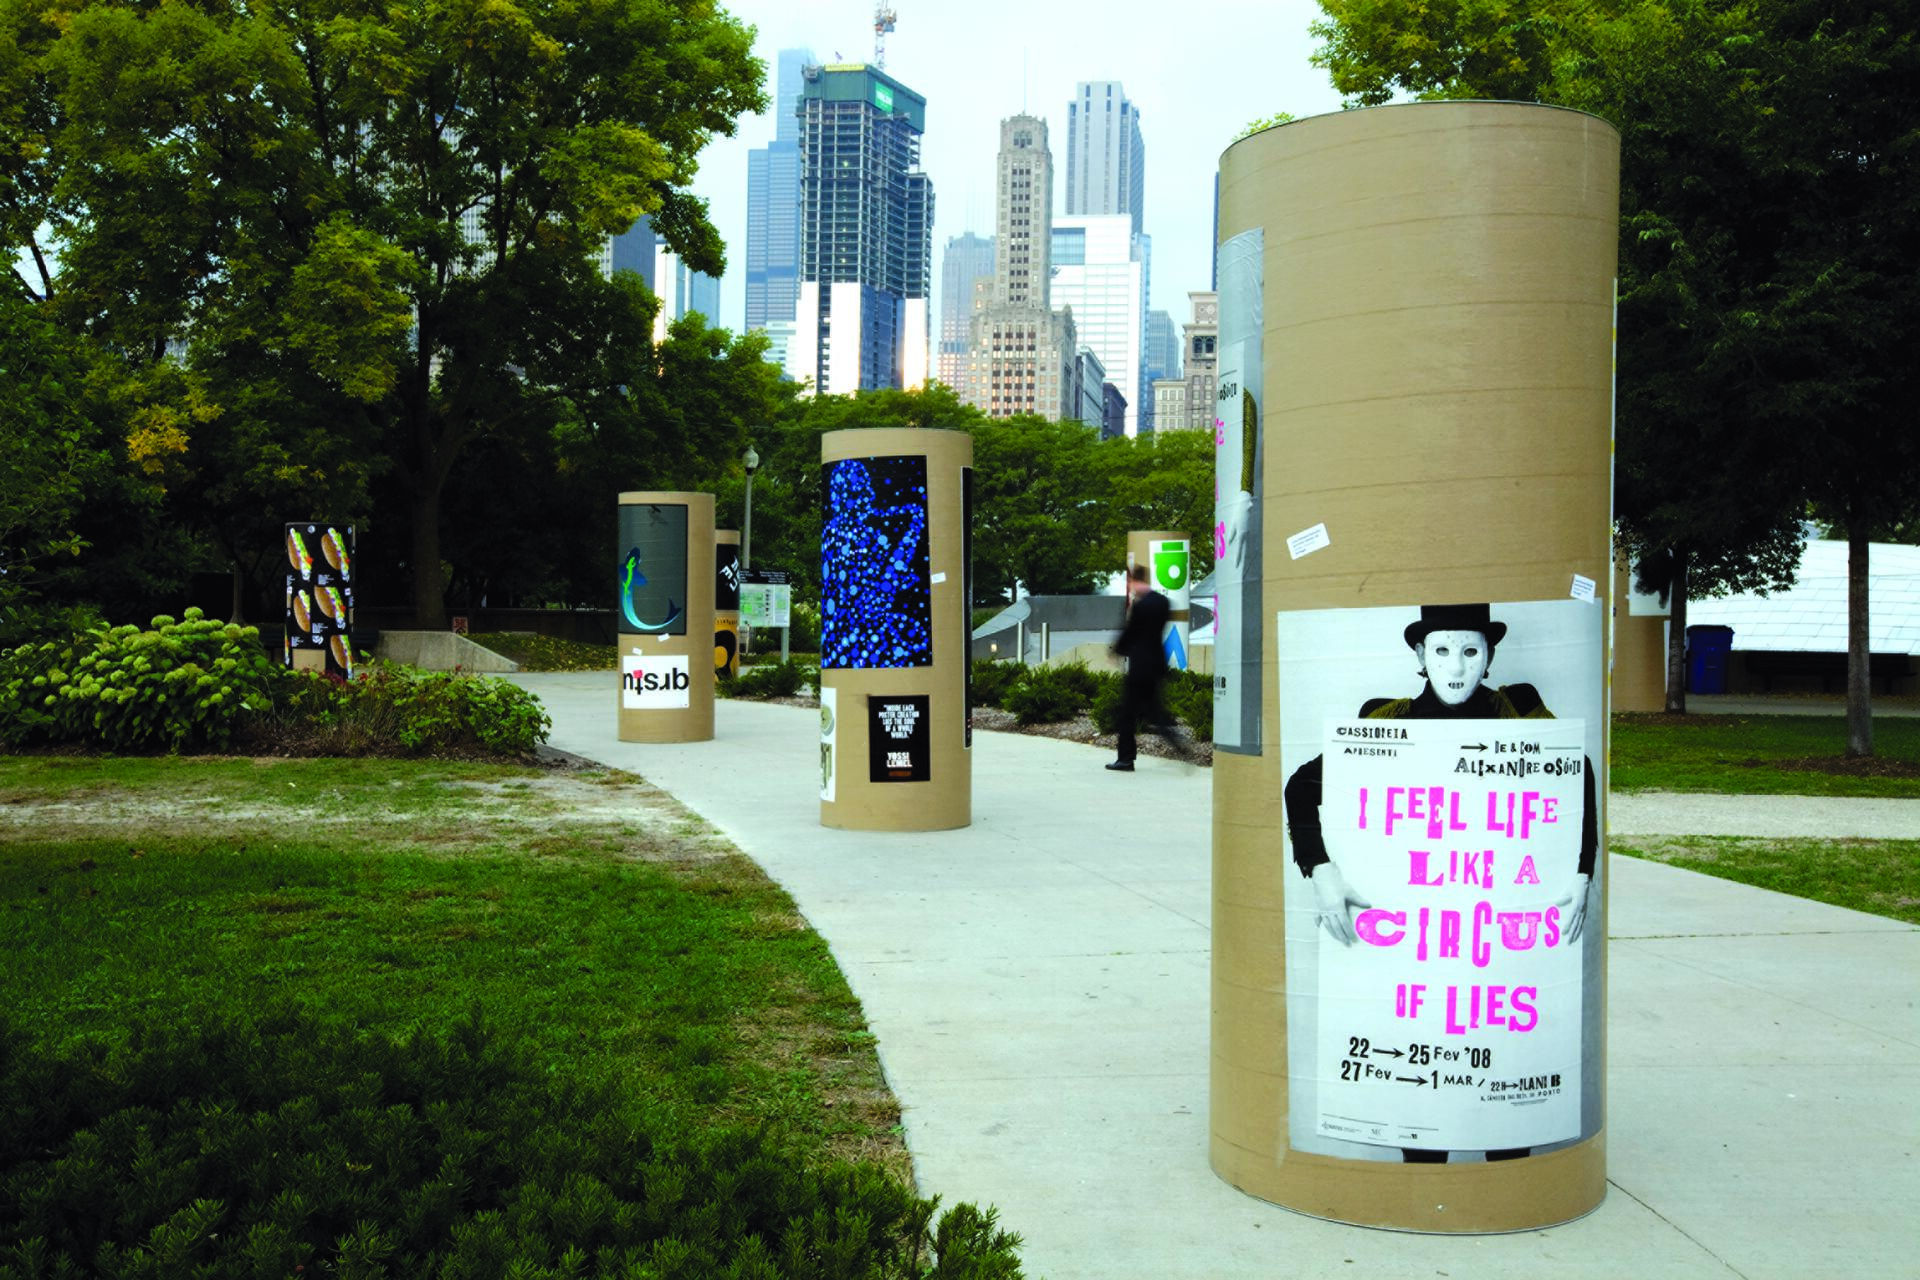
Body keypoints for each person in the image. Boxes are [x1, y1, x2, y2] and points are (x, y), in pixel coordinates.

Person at [1282, 602, 1597, 1163]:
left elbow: (1576, 778)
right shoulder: (1388, 721)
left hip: (1498, 944)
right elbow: (1302, 788)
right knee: (1420, 1096)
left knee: (1503, 1100)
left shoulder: (1520, 715)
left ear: (1489, 656)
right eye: (1442, 650)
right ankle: (1424, 1186)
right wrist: (1321, 871)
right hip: (1415, 946)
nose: (1457, 665)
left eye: (1471, 650)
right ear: (1421, 657)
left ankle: (1501, 1191)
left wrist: (1581, 870)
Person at [1107, 564, 1187, 771]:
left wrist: (1116, 650)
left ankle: (1125, 759)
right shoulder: (1162, 602)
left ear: (1134, 581)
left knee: (1127, 713)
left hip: (1139, 667)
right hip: (1156, 664)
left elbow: (1131, 633)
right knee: (1157, 715)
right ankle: (1181, 747)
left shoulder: (1141, 606)